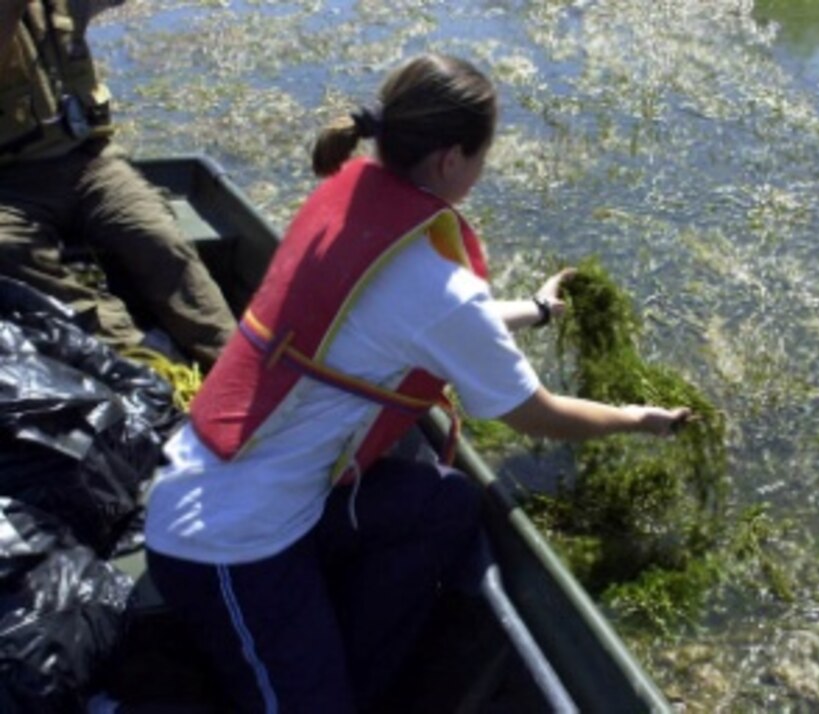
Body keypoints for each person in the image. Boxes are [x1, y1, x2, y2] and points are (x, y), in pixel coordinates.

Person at [143, 53, 690, 713]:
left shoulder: (351, 199)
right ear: (451, 160)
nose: (483, 171)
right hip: (225, 543)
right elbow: (533, 412)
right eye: (484, 156)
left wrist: (539, 311)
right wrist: (637, 418)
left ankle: (345, 672)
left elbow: (423, 319)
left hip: (262, 496)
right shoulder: (436, 284)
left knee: (444, 504)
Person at [0, 0, 235, 370]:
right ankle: (143, 361)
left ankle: (235, 364)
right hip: (9, 184)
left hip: (88, 163)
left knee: (159, 240)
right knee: (9, 251)